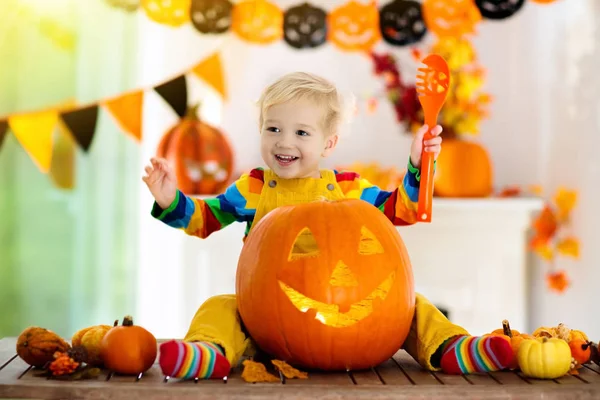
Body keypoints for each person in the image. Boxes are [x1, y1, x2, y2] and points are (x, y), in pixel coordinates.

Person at [142, 72, 512, 379]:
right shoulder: (252, 187)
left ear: (328, 143)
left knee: (410, 307)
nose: (284, 141)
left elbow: (401, 210)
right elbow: (204, 220)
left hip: (357, 326)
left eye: (302, 133)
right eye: (273, 129)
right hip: (266, 322)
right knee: (220, 307)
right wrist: (169, 199)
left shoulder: (348, 186)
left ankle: (452, 346)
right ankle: (208, 352)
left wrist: (417, 165)